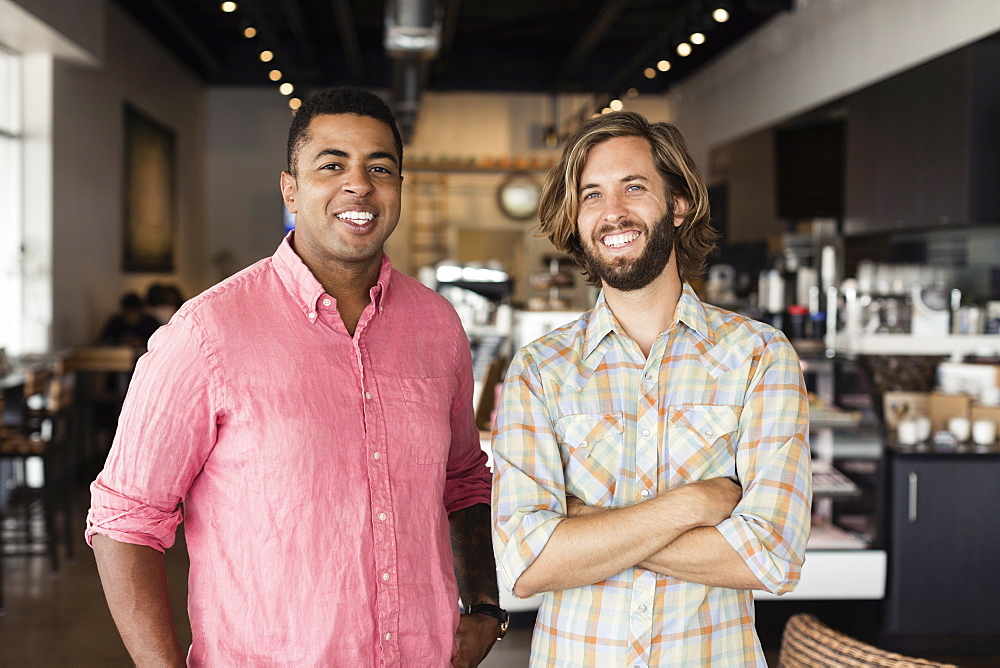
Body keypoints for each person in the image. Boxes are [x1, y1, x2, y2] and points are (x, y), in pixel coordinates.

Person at [88, 87, 506, 667]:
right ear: (291, 187)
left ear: (398, 190)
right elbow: (124, 519)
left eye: (379, 167)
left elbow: (462, 480)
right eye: (331, 164)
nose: (358, 184)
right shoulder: (208, 332)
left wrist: (485, 607)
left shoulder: (437, 327)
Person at [491, 111, 812, 666]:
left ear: (679, 203)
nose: (611, 212)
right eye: (591, 195)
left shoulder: (758, 355)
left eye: (633, 187)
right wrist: (696, 503)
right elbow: (526, 566)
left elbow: (771, 556)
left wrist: (586, 530)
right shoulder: (538, 370)